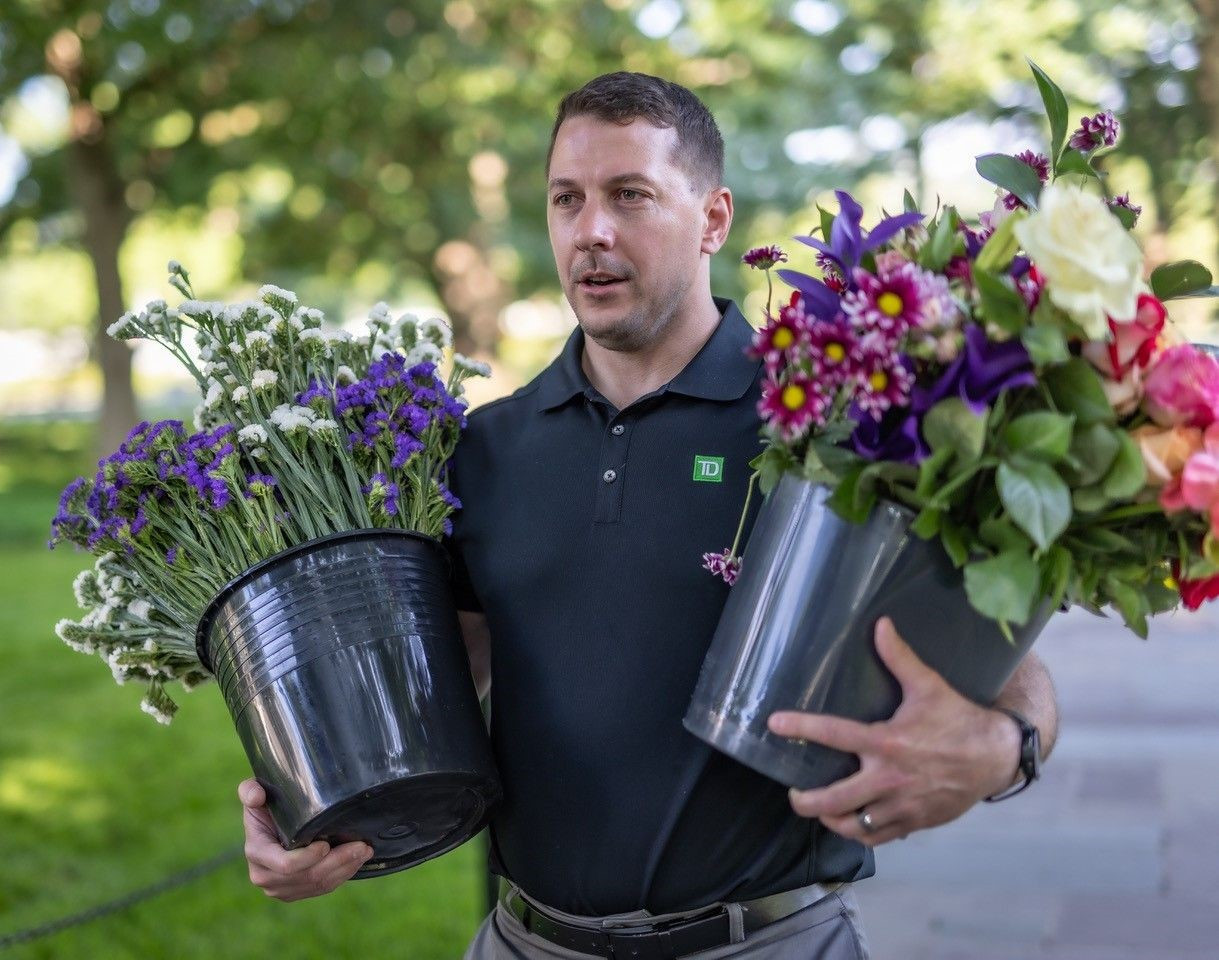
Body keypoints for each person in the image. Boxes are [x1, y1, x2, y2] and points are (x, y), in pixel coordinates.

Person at [238, 72, 1059, 958]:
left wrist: (999, 749)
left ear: (712, 218)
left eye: (630, 195)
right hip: (524, 943)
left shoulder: (826, 426)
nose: (592, 231)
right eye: (567, 199)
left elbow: (1009, 665)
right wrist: (310, 808)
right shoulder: (484, 449)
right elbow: (422, 696)